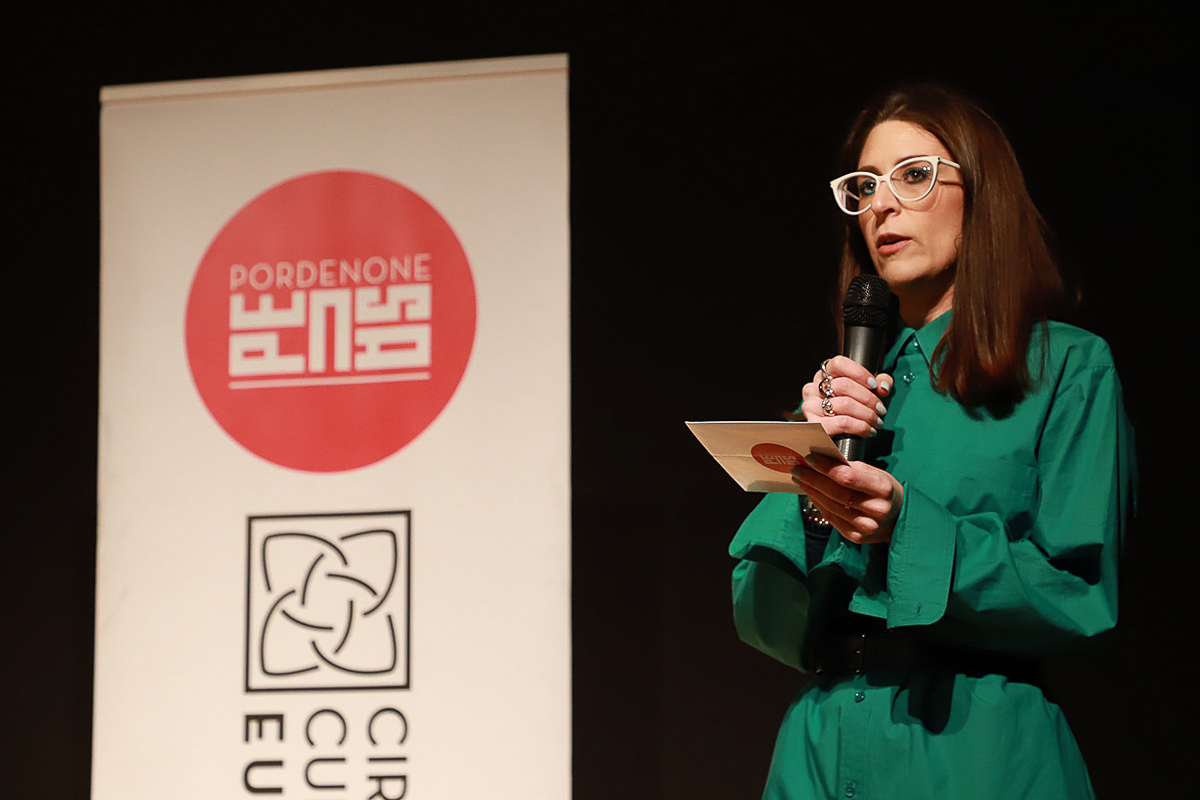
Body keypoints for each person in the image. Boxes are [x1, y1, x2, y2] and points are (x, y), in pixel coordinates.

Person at [729, 84, 1136, 799]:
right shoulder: (842, 396)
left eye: (913, 175)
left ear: (981, 193)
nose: (881, 205)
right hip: (822, 742)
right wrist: (813, 487)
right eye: (863, 187)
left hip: (974, 744)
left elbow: (1078, 594)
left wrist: (905, 526)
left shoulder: (1067, 367)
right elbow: (762, 618)